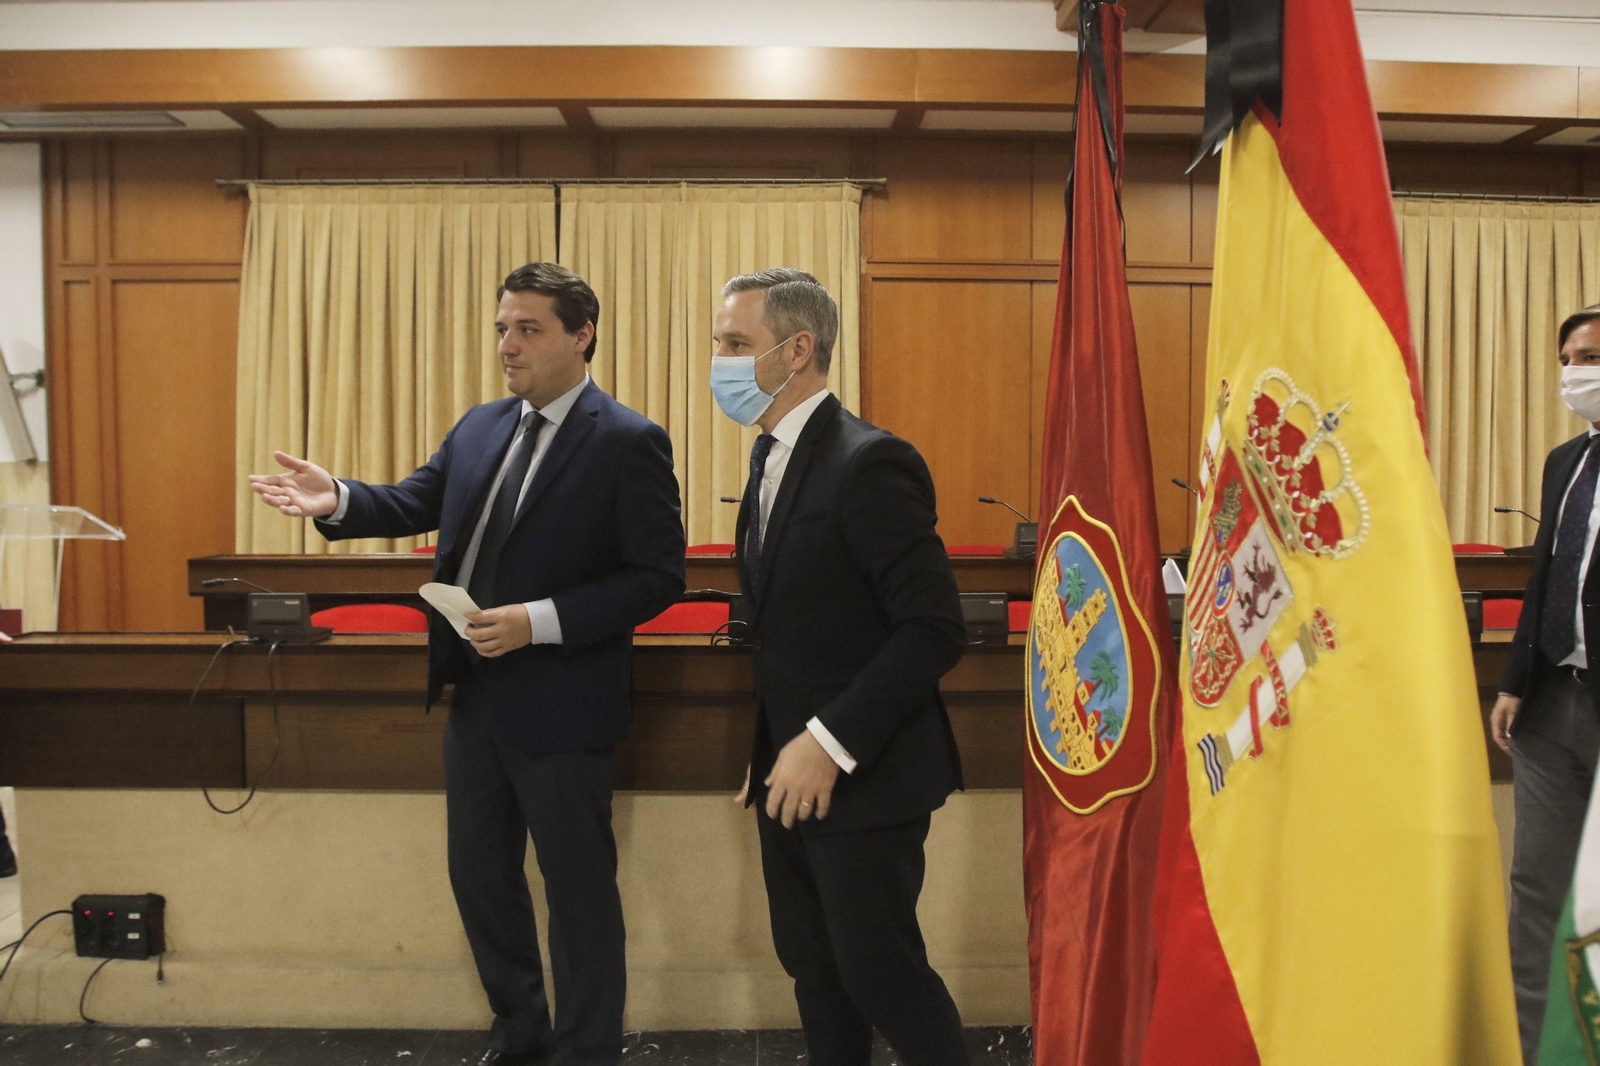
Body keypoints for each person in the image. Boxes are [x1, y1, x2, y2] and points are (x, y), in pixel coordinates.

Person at [249, 262, 685, 1066]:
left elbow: (659, 577)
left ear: (582, 334)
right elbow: (416, 499)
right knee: (482, 883)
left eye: (528, 329)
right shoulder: (482, 425)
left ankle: (588, 1052)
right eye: (500, 328)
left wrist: (538, 622)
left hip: (564, 704)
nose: (507, 346)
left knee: (578, 894)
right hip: (474, 701)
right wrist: (337, 497)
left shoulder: (627, 440)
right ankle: (521, 1035)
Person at [711, 268, 970, 1065]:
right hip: (791, 776)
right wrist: (774, 747)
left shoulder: (871, 462)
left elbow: (933, 629)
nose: (718, 361)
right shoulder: (767, 460)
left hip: (867, 775)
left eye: (734, 344)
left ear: (798, 350)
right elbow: (795, 630)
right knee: (816, 977)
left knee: (883, 978)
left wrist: (825, 740)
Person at [1493, 303, 1600, 1063]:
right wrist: (1512, 682)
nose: (1575, 373)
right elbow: (1542, 577)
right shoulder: (1566, 461)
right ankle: (1535, 1048)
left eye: (1590, 356)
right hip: (1550, 702)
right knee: (1537, 890)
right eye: (1567, 358)